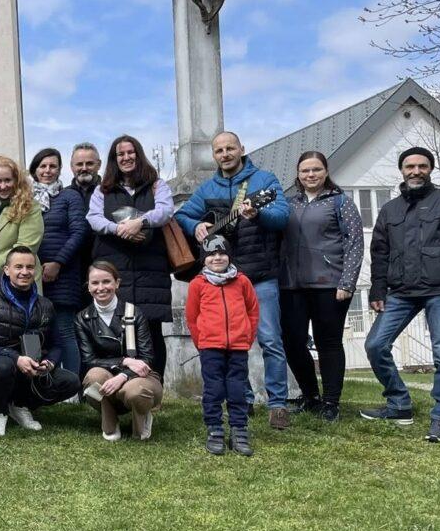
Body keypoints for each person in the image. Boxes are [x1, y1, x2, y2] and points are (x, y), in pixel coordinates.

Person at [176, 131, 291, 428]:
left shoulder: (263, 181)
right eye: (219, 150)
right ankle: (245, 400)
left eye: (230, 148)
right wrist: (197, 225)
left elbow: (281, 216)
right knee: (232, 344)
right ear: (214, 155)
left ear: (242, 149)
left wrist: (258, 214)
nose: (225, 154)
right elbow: (182, 216)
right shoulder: (207, 187)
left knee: (269, 340)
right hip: (223, 279)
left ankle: (278, 404)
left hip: (260, 274)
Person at [361, 146, 440, 443]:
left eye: (422, 166)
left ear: (430, 170)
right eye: (409, 166)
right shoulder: (390, 210)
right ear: (401, 170)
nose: (415, 171)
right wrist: (378, 289)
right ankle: (399, 403)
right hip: (400, 292)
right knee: (375, 345)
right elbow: (380, 253)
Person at [279, 151, 364, 422]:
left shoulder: (341, 202)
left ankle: (331, 402)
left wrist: (347, 281)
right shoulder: (289, 204)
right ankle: (311, 396)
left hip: (330, 285)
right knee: (292, 342)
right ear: (298, 174)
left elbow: (355, 244)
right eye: (305, 171)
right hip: (292, 285)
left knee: (328, 343)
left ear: (325, 172)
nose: (311, 175)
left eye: (316, 169)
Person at [87, 135, 174, 377]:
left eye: (130, 152)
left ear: (139, 154)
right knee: (118, 331)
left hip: (150, 268)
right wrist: (120, 230)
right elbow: (93, 219)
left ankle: (154, 387)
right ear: (114, 160)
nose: (126, 157)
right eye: (120, 154)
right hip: (116, 265)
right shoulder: (102, 190)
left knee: (152, 331)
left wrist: (140, 222)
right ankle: (121, 386)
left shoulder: (157, 185)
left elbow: (166, 210)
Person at [0, 246, 80, 434]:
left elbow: (57, 344)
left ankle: (20, 405)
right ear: (7, 270)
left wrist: (50, 362)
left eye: (30, 267)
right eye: (18, 267)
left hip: (32, 368)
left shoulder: (45, 304)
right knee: (3, 366)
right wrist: (16, 358)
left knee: (71, 381)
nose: (24, 272)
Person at [186, 236, 260, 456]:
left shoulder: (242, 282)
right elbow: (192, 316)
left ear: (229, 256)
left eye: (221, 253)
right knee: (214, 389)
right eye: (211, 254)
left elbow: (252, 311)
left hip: (238, 346)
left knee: (237, 389)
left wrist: (247, 337)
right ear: (204, 259)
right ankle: (215, 429)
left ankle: (239, 430)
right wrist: (202, 342)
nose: (217, 258)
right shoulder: (198, 284)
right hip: (210, 348)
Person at [75, 260, 163, 442]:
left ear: (117, 283)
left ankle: (142, 417)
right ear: (88, 286)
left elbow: (147, 358)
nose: (101, 287)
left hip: (141, 377)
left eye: (106, 281)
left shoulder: (134, 312)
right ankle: (110, 421)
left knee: (135, 391)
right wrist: (124, 361)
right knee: (93, 377)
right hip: (107, 375)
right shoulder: (82, 318)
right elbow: (89, 360)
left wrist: (124, 375)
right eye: (95, 283)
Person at [32, 147, 93, 379]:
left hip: (63, 275)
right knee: (36, 330)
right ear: (35, 169)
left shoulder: (69, 196)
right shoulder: (25, 197)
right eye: (43, 166)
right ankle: (39, 381)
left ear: (60, 169)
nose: (47, 171)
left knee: (64, 330)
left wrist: (58, 262)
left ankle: (70, 384)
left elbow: (79, 232)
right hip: (33, 274)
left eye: (53, 166)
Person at [0, 155, 43, 283]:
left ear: (16, 180)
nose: (3, 186)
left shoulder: (30, 206)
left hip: (20, 280)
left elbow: (26, 245)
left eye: (8, 180)